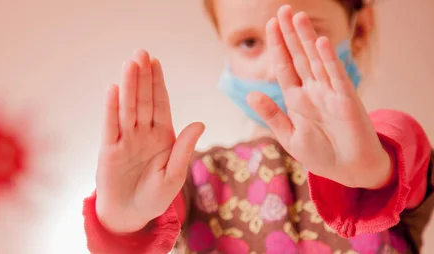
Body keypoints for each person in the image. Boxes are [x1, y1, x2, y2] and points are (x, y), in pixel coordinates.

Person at [83, 0, 434, 253]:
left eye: (301, 33)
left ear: (361, 30)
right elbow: (144, 238)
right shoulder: (191, 180)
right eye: (249, 42)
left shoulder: (391, 158)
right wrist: (123, 225)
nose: (273, 69)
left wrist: (375, 169)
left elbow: (408, 154)